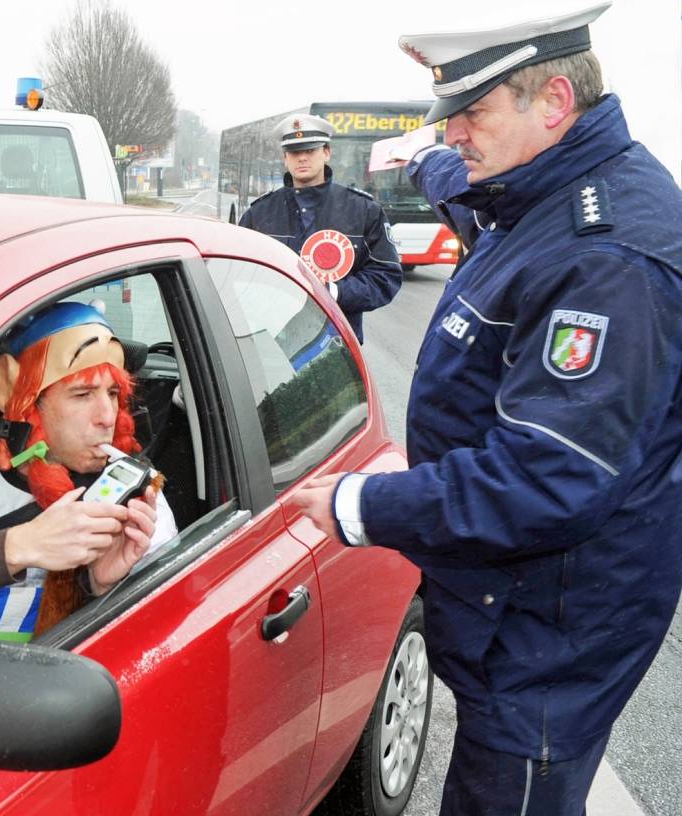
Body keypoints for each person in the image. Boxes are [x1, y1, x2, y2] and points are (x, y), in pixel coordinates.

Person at [287, 2, 682, 813]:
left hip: (550, 630)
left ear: (555, 102)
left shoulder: (607, 257)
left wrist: (360, 502)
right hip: (518, 603)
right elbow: (469, 195)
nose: (455, 132)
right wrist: (430, 158)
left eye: (471, 112)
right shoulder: (540, 190)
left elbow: (549, 481)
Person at [0, 301, 177, 672]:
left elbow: (159, 655)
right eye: (82, 395)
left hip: (30, 709)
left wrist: (102, 589)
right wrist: (20, 547)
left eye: (113, 394)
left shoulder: (135, 493)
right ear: (21, 399)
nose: (106, 418)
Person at [238, 113, 402, 343]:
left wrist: (334, 292)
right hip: (270, 342)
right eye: (295, 152)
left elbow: (385, 277)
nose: (302, 158)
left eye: (310, 150)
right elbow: (238, 273)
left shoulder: (363, 209)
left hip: (336, 346)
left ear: (326, 153)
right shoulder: (259, 213)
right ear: (285, 158)